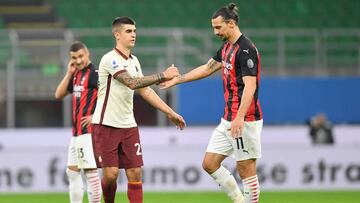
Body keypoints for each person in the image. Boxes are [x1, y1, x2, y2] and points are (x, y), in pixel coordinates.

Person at [160, 3, 262, 203]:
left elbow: (250, 86)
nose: (215, 32)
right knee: (209, 163)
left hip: (245, 119)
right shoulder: (226, 48)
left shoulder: (246, 50)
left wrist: (240, 117)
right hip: (228, 119)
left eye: (218, 27)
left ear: (231, 24)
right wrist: (179, 79)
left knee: (246, 170)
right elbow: (207, 69)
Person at [91, 16, 186, 203]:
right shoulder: (110, 59)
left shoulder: (134, 60)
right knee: (110, 176)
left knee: (135, 173)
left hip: (128, 126)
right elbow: (132, 83)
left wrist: (170, 113)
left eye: (134, 31)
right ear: (117, 35)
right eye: (128, 31)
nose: (133, 35)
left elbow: (146, 91)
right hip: (105, 125)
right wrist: (162, 75)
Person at [55, 41, 102, 203]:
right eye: (74, 58)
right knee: (72, 172)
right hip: (76, 133)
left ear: (87, 53)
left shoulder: (96, 73)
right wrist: (69, 73)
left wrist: (95, 116)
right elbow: (59, 94)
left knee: (90, 173)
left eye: (81, 56)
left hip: (89, 132)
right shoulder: (75, 74)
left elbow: (109, 96)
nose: (78, 60)